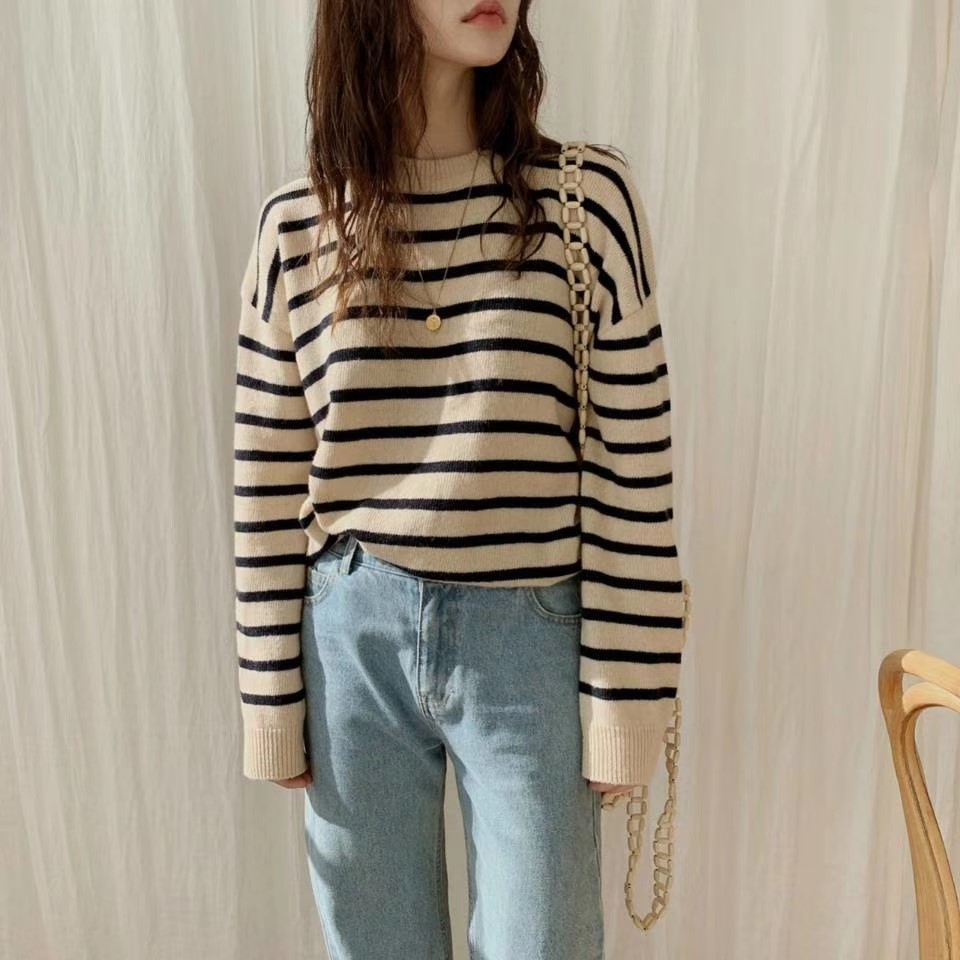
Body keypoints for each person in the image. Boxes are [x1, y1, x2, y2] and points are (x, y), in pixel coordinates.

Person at [232, 0, 689, 956]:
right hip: (352, 643)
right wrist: (270, 699)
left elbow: (631, 470)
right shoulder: (298, 226)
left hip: (533, 642)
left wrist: (627, 699)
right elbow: (268, 479)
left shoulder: (584, 203)